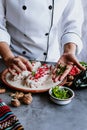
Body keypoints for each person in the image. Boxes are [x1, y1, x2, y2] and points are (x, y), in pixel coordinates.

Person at [0, 0, 85, 82]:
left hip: (51, 61)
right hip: (13, 59)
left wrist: (69, 51)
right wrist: (8, 57)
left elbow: (73, 24)